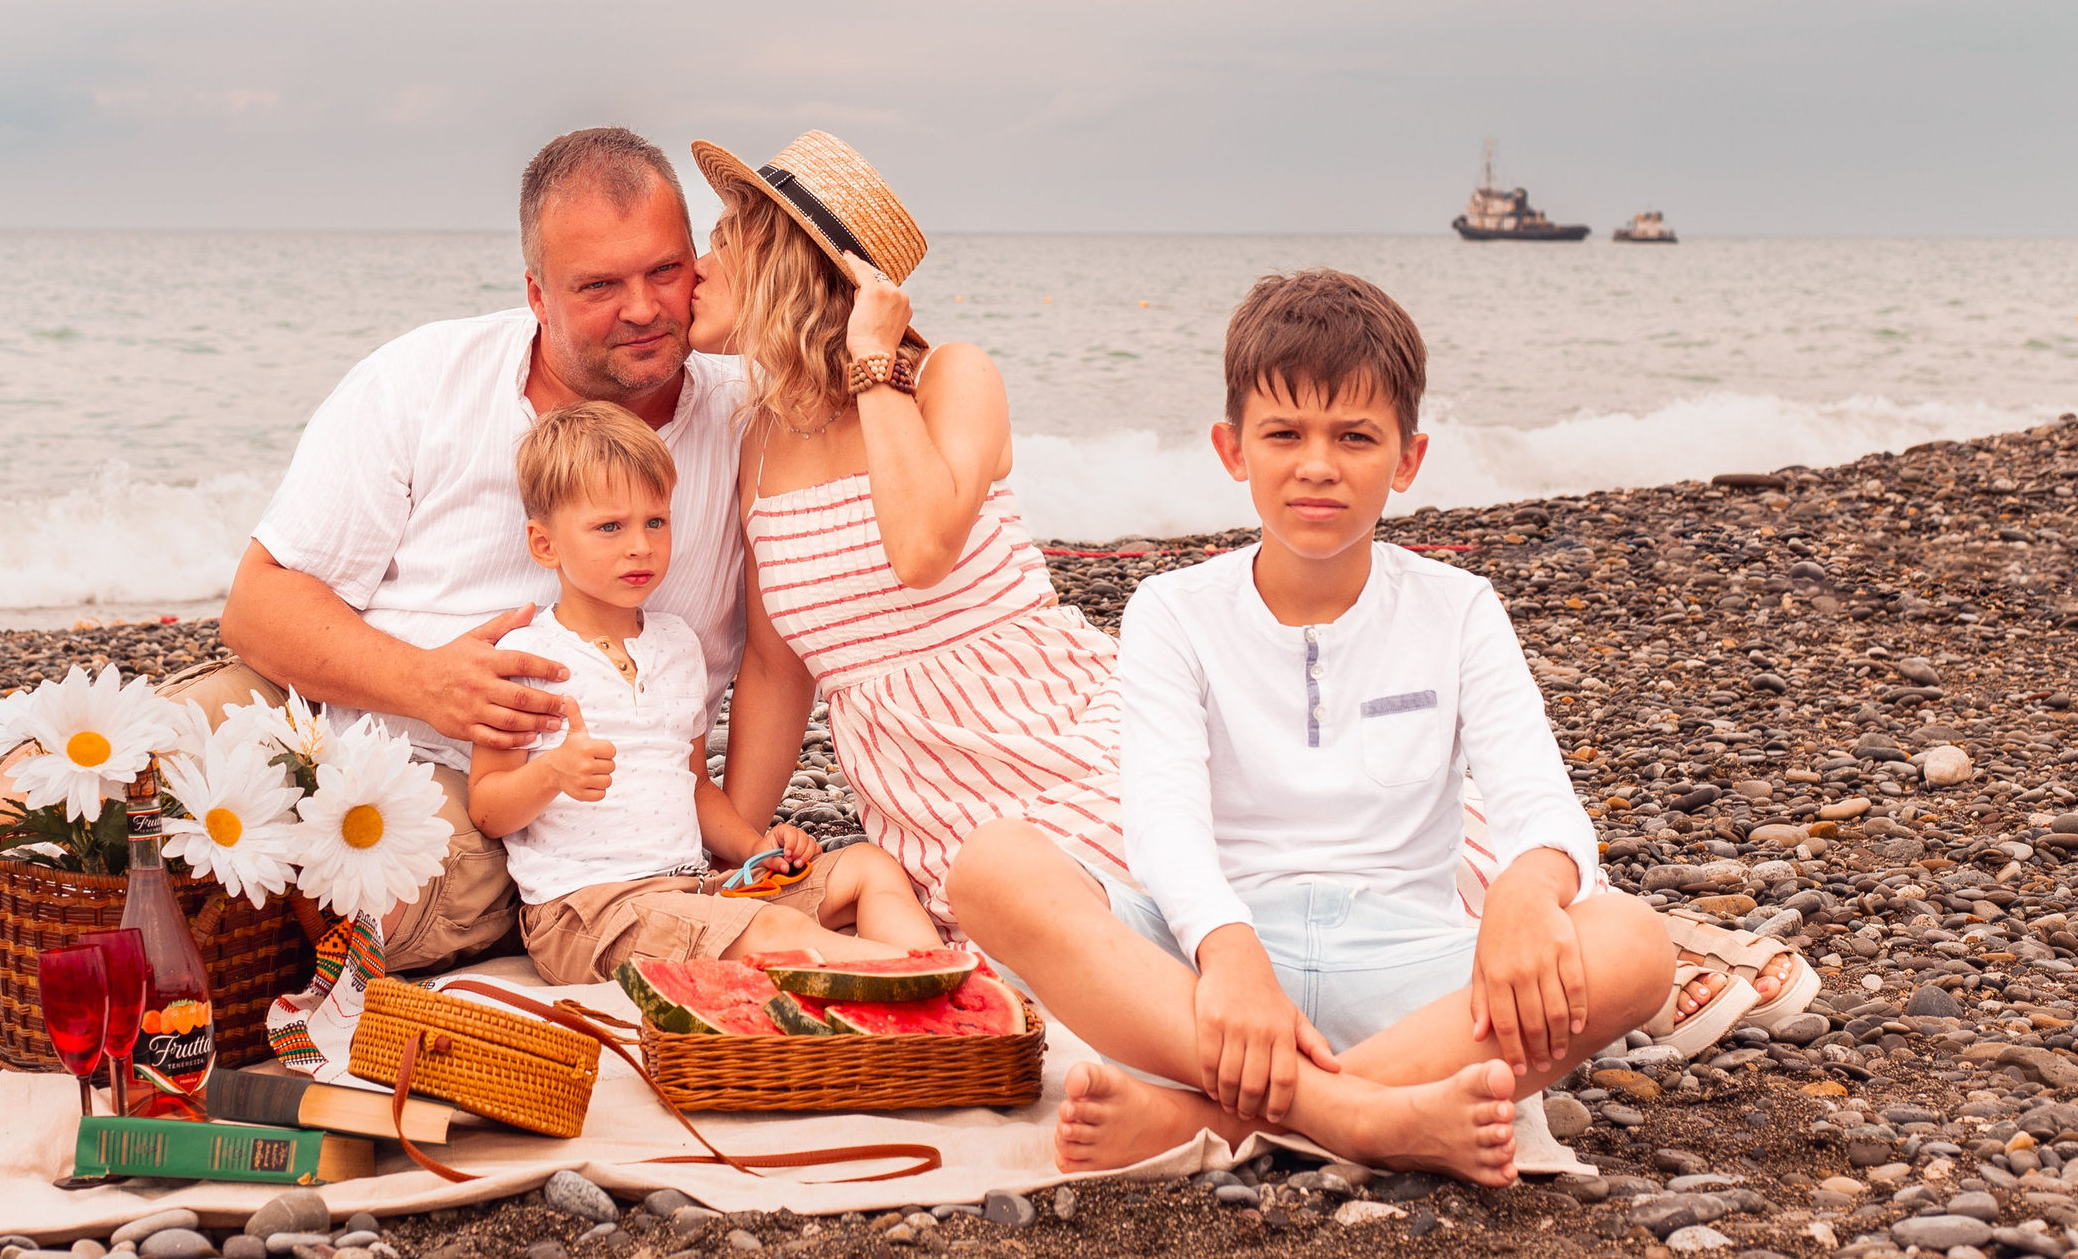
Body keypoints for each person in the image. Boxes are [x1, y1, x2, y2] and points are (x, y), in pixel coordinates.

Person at [0, 128, 790, 967]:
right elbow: (258, 609)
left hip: (509, 794)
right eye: (599, 286)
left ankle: (59, 904)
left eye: (664, 271)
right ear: (537, 293)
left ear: (703, 269)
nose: (643, 308)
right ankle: (42, 879)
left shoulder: (753, 419)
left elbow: (783, 654)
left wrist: (724, 850)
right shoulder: (423, 379)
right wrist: (427, 682)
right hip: (327, 705)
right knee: (26, 797)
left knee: (367, 904)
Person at [949, 269, 1677, 1181]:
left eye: (1355, 436)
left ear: (1408, 459)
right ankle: (1363, 1118)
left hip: (1409, 976)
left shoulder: (1459, 608)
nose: (1319, 464)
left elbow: (1541, 800)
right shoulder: (1172, 609)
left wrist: (1525, 896)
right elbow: (1164, 820)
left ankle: (1209, 1120)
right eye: (1285, 433)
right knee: (993, 865)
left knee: (1634, 944)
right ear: (1233, 448)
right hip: (1213, 973)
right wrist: (1228, 951)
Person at [685, 133, 1130, 934]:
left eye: (721, 241)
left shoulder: (948, 378)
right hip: (927, 812)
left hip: (1065, 743)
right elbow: (776, 672)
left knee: (1097, 929)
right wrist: (734, 858)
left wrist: (871, 357)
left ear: (787, 261)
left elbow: (921, 550)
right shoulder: (760, 444)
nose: (696, 267)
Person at [472, 402, 942, 982]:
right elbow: (487, 808)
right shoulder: (526, 657)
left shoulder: (677, 644)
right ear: (545, 545)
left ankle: (942, 988)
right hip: (587, 912)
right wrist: (551, 774)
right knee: (774, 934)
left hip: (692, 891)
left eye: (656, 522)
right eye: (610, 527)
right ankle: (942, 992)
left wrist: (755, 846)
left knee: (867, 868)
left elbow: (694, 785)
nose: (640, 545)